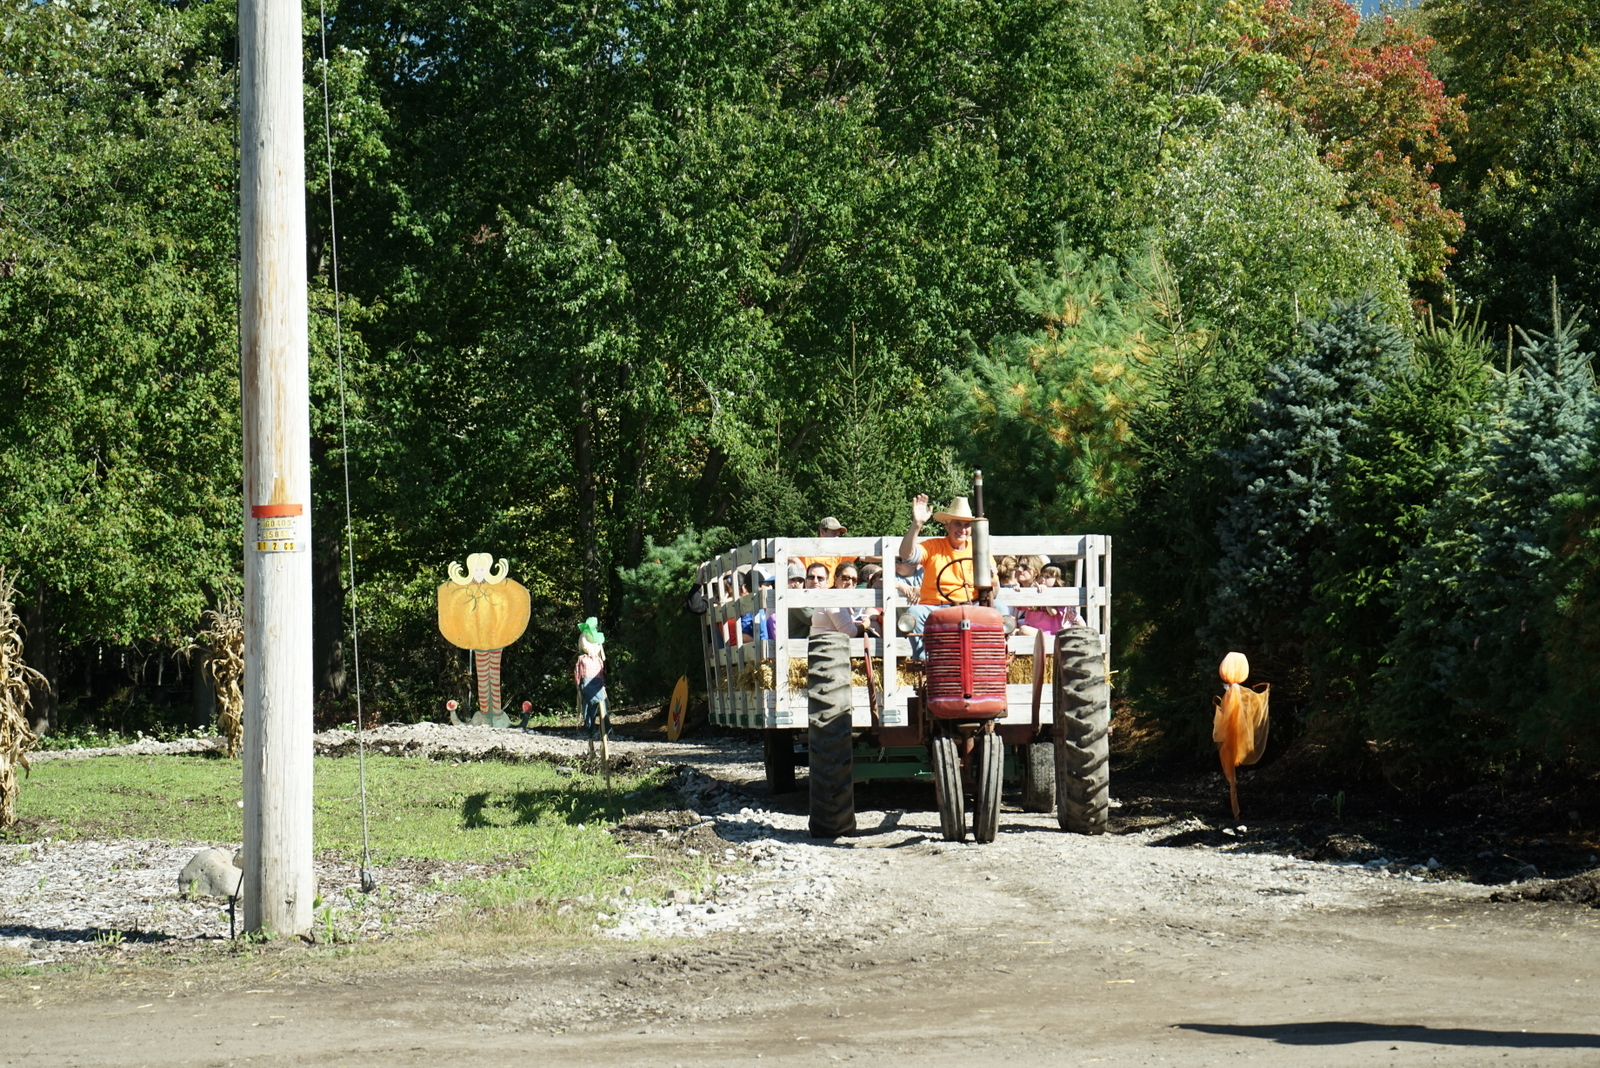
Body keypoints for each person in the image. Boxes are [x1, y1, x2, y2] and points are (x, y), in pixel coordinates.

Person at [896, 493, 977, 657]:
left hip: (971, 605)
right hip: (935, 606)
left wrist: (992, 578)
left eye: (966, 525)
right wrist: (916, 524)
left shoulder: (979, 550)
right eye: (957, 524)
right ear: (947, 525)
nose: (962, 529)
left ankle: (991, 657)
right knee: (914, 613)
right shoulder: (933, 546)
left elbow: (994, 590)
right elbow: (906, 554)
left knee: (1000, 610)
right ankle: (926, 660)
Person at [573, 617, 606, 740]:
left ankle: (598, 728)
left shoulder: (595, 660)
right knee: (591, 704)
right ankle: (592, 728)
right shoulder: (584, 659)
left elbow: (601, 672)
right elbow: (578, 672)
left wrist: (602, 684)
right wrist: (578, 684)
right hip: (588, 682)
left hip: (594, 682)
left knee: (595, 704)